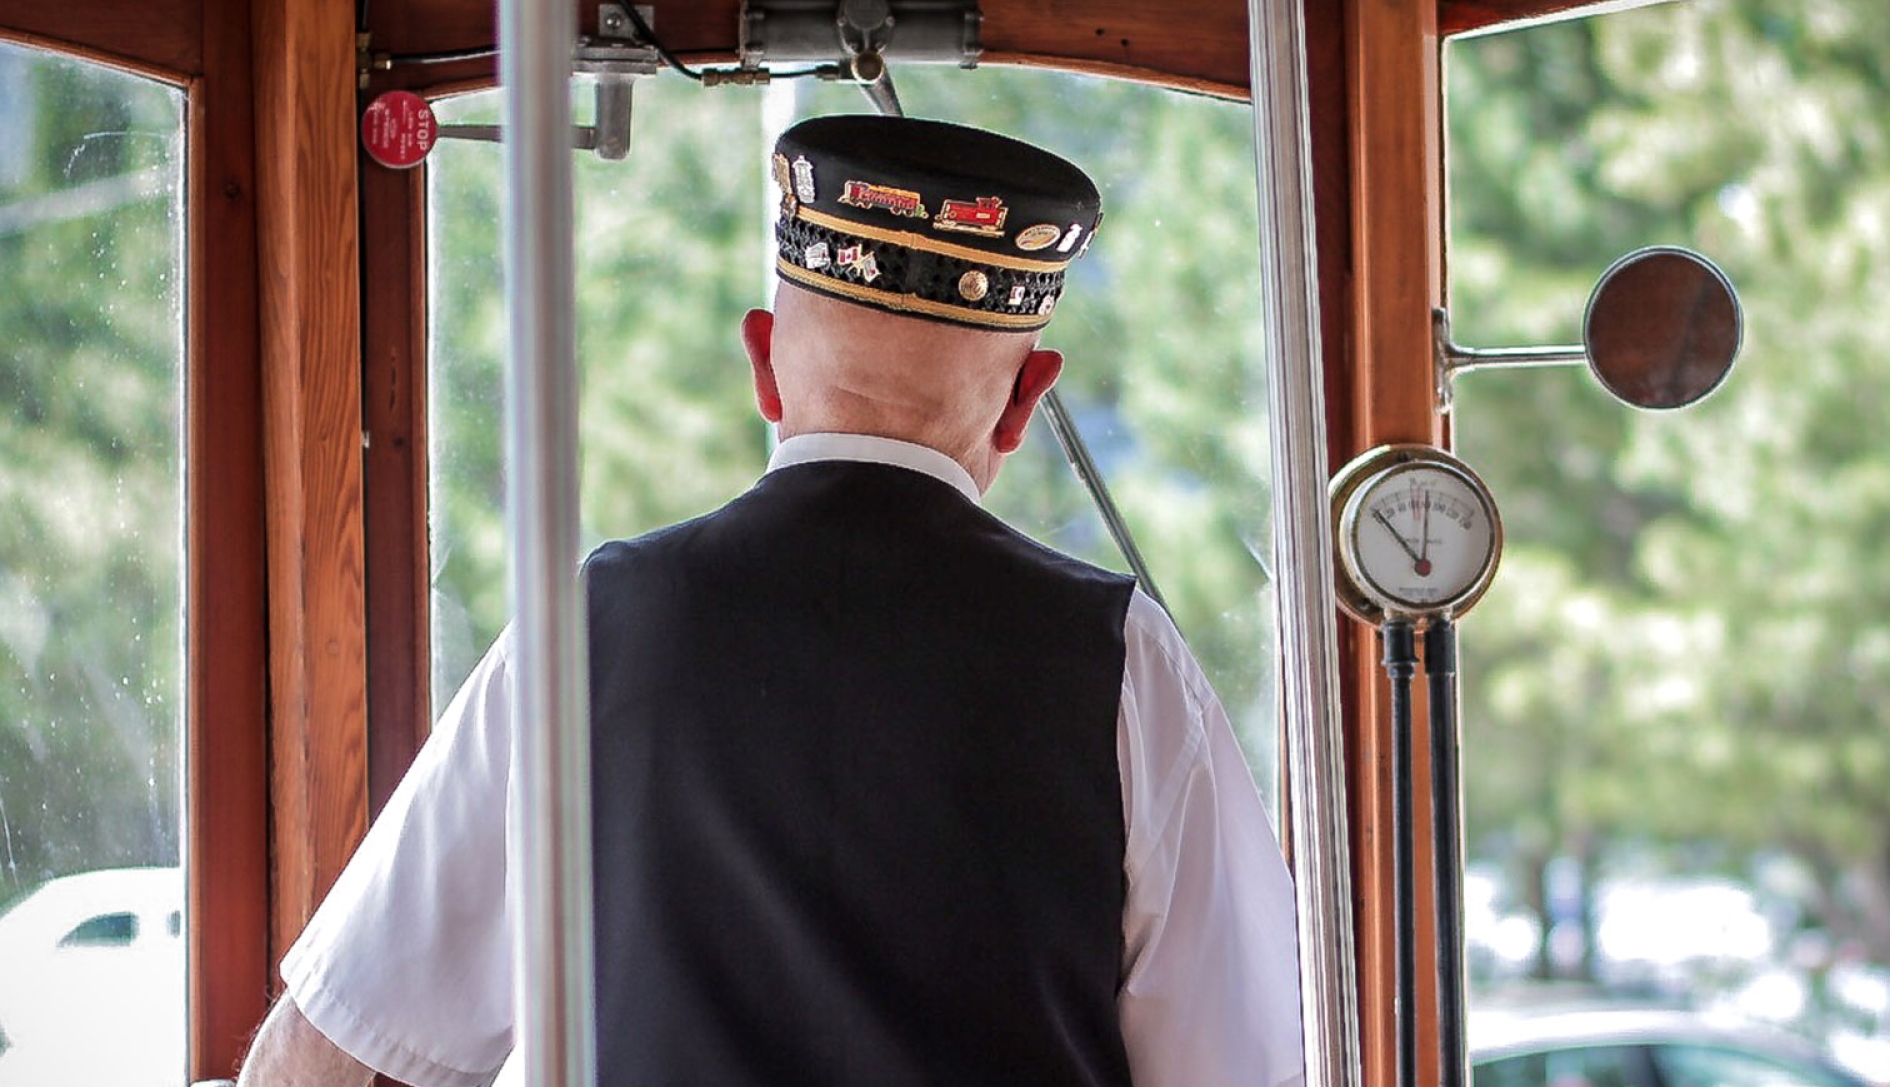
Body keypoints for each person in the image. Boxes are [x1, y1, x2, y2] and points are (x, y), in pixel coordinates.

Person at [236, 114, 1305, 1087]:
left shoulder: (593, 630)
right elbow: (1243, 1061)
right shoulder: (1123, 659)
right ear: (1027, 398)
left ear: (763, 364)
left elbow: (334, 1053)